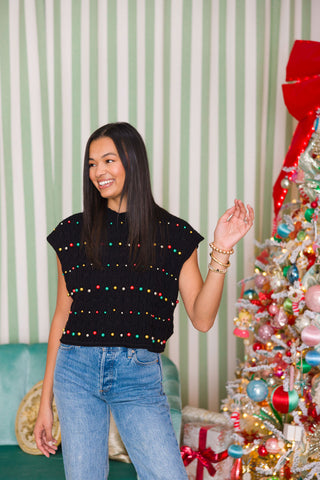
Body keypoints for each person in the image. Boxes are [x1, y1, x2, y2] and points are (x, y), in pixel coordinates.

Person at [34, 122, 254, 480]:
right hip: (75, 371)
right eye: (91, 164)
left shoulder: (173, 235)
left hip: (137, 374)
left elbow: (202, 318)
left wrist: (222, 250)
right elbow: (62, 316)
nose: (98, 172)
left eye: (108, 160)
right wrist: (46, 404)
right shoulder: (73, 234)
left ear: (133, 163)